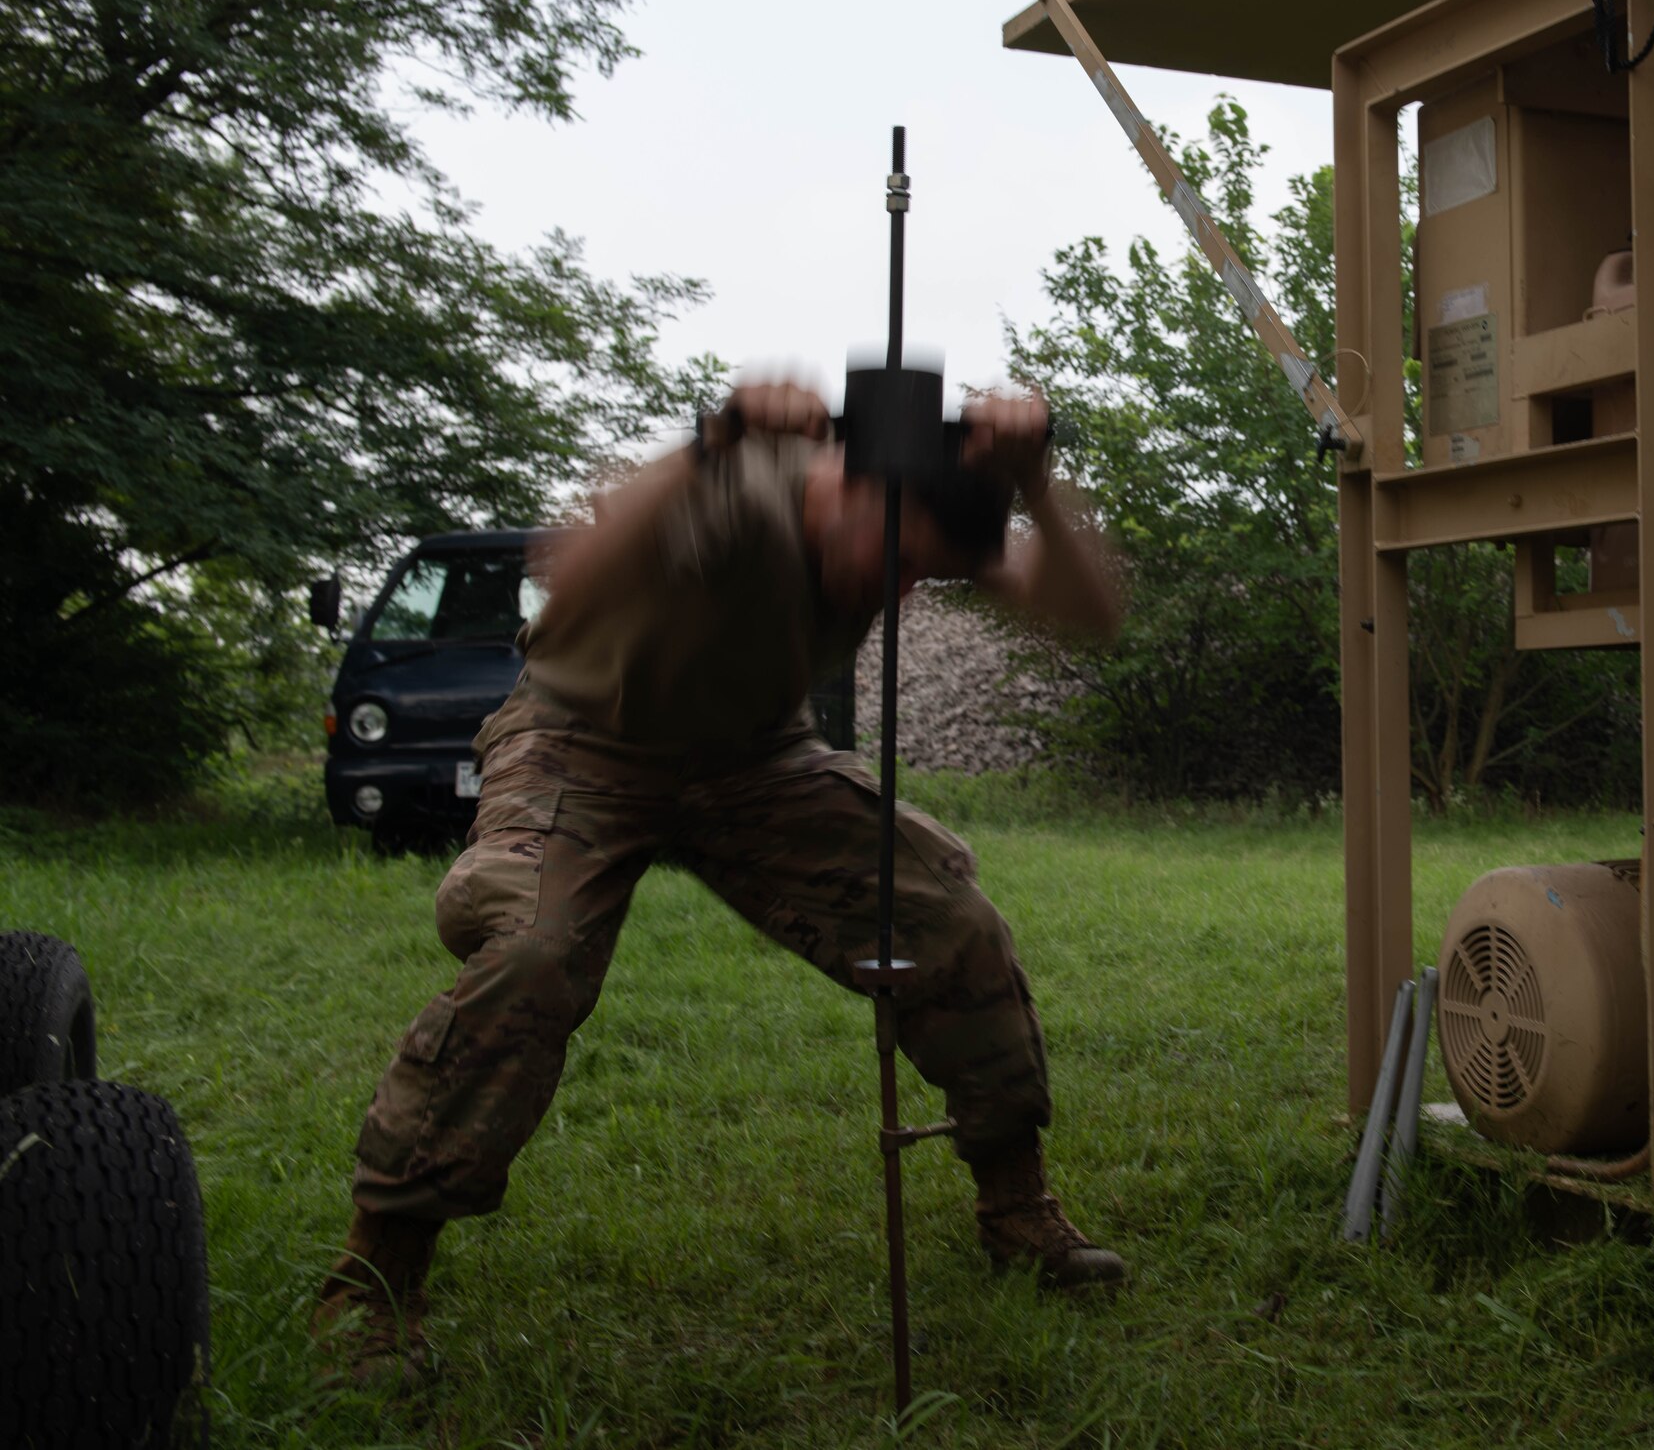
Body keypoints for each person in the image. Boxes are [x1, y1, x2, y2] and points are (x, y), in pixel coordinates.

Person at [311, 382, 1127, 1384]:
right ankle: (374, 1280)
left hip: (754, 755)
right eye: (897, 559)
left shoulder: (918, 514)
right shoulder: (741, 492)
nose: (901, 592)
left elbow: (1089, 615)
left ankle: (1017, 1209)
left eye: (925, 573)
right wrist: (707, 448)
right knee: (532, 949)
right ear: (840, 486)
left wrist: (1035, 478)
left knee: (948, 917)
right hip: (583, 738)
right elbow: (567, 591)